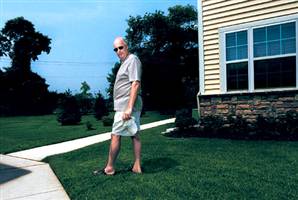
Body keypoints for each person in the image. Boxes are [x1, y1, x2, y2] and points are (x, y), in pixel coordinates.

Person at [101, 37, 142, 175]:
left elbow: (135, 83)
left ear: (127, 46)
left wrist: (129, 108)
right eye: (115, 49)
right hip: (124, 106)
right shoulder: (124, 63)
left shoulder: (132, 60)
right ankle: (137, 166)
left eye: (121, 47)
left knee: (115, 135)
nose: (118, 51)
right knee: (134, 134)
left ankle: (110, 167)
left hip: (126, 107)